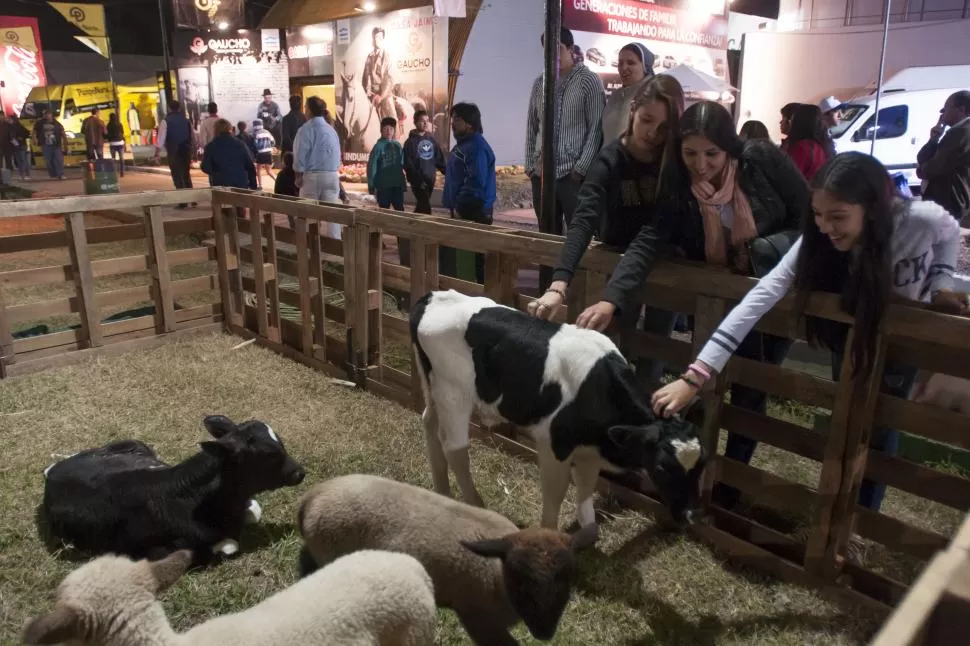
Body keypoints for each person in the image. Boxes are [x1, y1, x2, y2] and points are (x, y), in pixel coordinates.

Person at [651, 152, 962, 521]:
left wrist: (941, 282)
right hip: (852, 331)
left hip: (901, 335)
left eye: (838, 216)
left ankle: (860, 521)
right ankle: (838, 514)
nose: (825, 226)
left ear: (872, 208)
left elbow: (950, 231)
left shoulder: (918, 219)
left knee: (880, 423)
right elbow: (760, 297)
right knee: (848, 414)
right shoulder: (817, 241)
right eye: (817, 214)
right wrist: (697, 375)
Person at [528, 75, 685, 387]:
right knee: (614, 344)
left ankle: (645, 418)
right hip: (620, 265)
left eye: (664, 127)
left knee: (655, 347)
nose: (653, 134)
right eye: (647, 120)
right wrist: (559, 284)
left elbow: (654, 234)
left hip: (663, 263)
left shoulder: (674, 164)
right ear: (633, 112)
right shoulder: (609, 160)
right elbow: (583, 220)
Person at [525, 27, 606, 292]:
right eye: (546, 48)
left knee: (579, 235)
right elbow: (532, 126)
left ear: (570, 48)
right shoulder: (540, 82)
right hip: (542, 173)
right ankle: (546, 291)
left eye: (557, 48)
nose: (551, 54)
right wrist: (530, 165)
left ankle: (578, 293)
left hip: (572, 173)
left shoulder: (588, 81)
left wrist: (581, 168)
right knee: (546, 235)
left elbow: (596, 127)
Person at [442, 102, 497, 284]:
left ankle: (480, 304)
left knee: (475, 264)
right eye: (453, 118)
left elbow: (476, 182)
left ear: (469, 123)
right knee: (465, 263)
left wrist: (460, 206)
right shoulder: (463, 146)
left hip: (474, 212)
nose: (452, 123)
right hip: (464, 211)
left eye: (457, 119)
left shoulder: (476, 147)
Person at [917, 90, 970, 224]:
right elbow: (923, 157)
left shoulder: (960, 133)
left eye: (946, 109)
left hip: (948, 201)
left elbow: (933, 168)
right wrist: (934, 138)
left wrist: (921, 169)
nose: (942, 113)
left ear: (961, 109)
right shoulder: (958, 132)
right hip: (953, 201)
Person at [293, 96, 343, 239]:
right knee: (333, 216)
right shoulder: (331, 130)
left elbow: (299, 155)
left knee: (309, 217)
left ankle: (311, 249)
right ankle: (335, 252)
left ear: (308, 110)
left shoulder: (305, 129)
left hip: (311, 178)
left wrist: (298, 176)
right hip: (331, 176)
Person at [601, 42, 655, 144]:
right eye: (620, 63)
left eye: (631, 63)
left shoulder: (653, 98)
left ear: (645, 67)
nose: (623, 68)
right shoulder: (615, 96)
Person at [403, 109, 446, 215]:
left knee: (422, 207)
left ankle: (413, 225)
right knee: (426, 208)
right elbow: (408, 165)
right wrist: (417, 180)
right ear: (415, 122)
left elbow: (439, 159)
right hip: (417, 182)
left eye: (427, 120)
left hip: (430, 180)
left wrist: (448, 172)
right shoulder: (409, 143)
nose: (426, 123)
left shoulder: (432, 140)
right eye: (422, 121)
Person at [201, 118, 258, 190]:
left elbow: (205, 167)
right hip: (240, 184)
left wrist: (217, 173)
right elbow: (250, 166)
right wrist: (253, 186)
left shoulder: (211, 146)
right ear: (229, 129)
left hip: (220, 185)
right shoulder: (240, 144)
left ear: (215, 130)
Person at [367, 117, 406, 211]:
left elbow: (401, 165)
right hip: (383, 186)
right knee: (384, 212)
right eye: (386, 129)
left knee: (400, 211)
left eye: (391, 129)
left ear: (394, 131)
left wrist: (403, 183)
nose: (389, 131)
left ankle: (398, 226)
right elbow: (372, 167)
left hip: (397, 185)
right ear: (381, 130)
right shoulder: (378, 147)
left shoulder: (398, 146)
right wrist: (371, 185)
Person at [785, 103, 831, 181]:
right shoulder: (821, 145)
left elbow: (791, 177)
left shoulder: (802, 147)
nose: (790, 121)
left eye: (793, 118)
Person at [163, 101, 195, 208]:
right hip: (186, 150)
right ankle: (193, 198)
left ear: (169, 108)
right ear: (179, 109)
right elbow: (193, 136)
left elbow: (161, 139)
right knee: (186, 174)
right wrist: (193, 150)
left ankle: (183, 201)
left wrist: (157, 153)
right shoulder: (186, 121)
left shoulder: (166, 121)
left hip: (174, 151)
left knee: (177, 176)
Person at [362, 27, 395, 121]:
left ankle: (396, 134)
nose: (377, 40)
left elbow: (389, 80)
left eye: (380, 38)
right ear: (372, 39)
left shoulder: (387, 56)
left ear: (383, 39)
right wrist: (367, 91)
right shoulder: (369, 57)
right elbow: (365, 77)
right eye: (375, 37)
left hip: (384, 95)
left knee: (392, 118)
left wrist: (381, 96)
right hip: (370, 94)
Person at [33, 110, 67, 180]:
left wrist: (65, 143)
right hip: (45, 145)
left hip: (56, 144)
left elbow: (63, 133)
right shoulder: (40, 123)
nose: (47, 116)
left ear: (51, 115)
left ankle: (61, 174)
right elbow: (34, 132)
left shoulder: (57, 124)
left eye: (48, 114)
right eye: (45, 115)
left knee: (58, 160)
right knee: (48, 161)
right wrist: (34, 139)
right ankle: (53, 174)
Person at [274, 152, 301, 228]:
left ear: (284, 162)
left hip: (286, 199)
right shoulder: (298, 173)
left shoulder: (281, 174)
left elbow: (277, 190)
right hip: (298, 198)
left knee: (291, 217)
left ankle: (293, 228)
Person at [8, 116, 31, 180]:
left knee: (23, 161)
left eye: (9, 119)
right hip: (17, 146)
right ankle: (23, 175)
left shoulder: (18, 127)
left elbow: (27, 133)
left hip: (21, 146)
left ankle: (25, 175)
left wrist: (20, 138)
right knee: (20, 161)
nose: (9, 120)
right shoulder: (12, 127)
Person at [106, 112, 126, 177]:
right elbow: (122, 132)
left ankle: (114, 172)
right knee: (121, 159)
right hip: (120, 143)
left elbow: (107, 134)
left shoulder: (108, 125)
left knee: (113, 159)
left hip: (112, 144)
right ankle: (122, 172)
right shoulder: (119, 124)